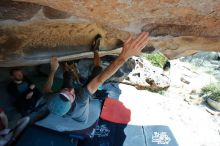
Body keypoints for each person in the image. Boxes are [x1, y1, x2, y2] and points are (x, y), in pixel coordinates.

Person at [34, 32, 149, 123]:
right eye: (72, 94)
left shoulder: (51, 99)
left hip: (67, 104)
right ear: (73, 100)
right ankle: (96, 49)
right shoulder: (81, 98)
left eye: (65, 90)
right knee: (97, 68)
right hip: (82, 113)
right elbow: (101, 79)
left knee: (67, 76)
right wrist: (124, 56)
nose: (72, 89)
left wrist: (53, 70)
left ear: (56, 94)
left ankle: (67, 65)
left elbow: (46, 89)